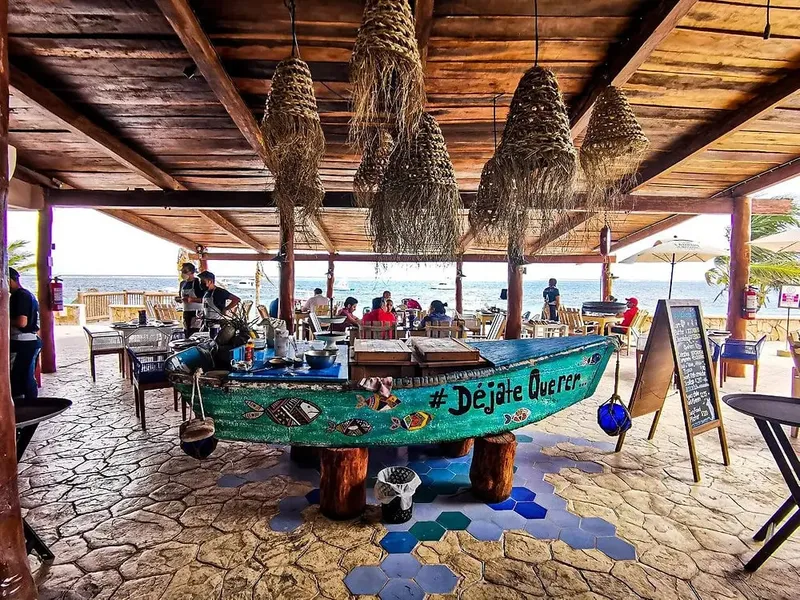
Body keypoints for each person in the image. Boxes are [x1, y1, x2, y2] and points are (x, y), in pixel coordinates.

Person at [9, 268, 41, 400]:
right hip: (29, 341)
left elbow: (22, 322)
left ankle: (28, 411)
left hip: (23, 342)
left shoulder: (20, 296)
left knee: (21, 380)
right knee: (26, 378)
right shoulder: (28, 295)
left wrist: (4, 319)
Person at [175, 262, 203, 338]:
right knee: (186, 333)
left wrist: (192, 299)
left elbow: (204, 300)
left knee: (194, 334)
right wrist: (179, 299)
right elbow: (181, 297)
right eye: (182, 271)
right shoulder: (182, 283)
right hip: (186, 311)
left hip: (197, 312)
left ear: (192, 272)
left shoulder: (198, 283)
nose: (182, 273)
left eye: (185, 271)